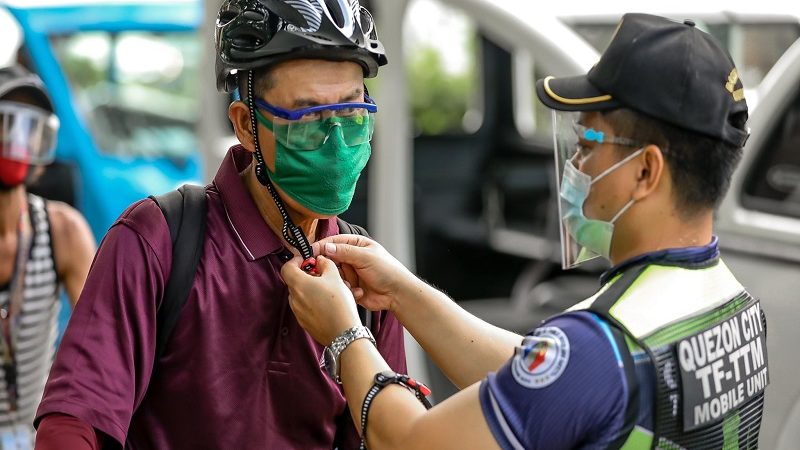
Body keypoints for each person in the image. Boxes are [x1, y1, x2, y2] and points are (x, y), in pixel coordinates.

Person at [282, 13, 768, 449]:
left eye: (589, 141)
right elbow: (539, 378)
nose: (575, 163)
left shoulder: (601, 349)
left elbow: (409, 440)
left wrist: (344, 334)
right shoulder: (735, 306)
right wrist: (403, 293)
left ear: (646, 171)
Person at [33, 1, 406, 449]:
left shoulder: (366, 277)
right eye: (306, 119)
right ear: (247, 125)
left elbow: (394, 434)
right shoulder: (156, 241)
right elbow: (73, 423)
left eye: (351, 115)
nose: (336, 143)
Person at [0, 65, 95, 447]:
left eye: (31, 128)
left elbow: (102, 344)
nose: (17, 141)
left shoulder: (62, 231)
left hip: (34, 436)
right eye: (7, 123)